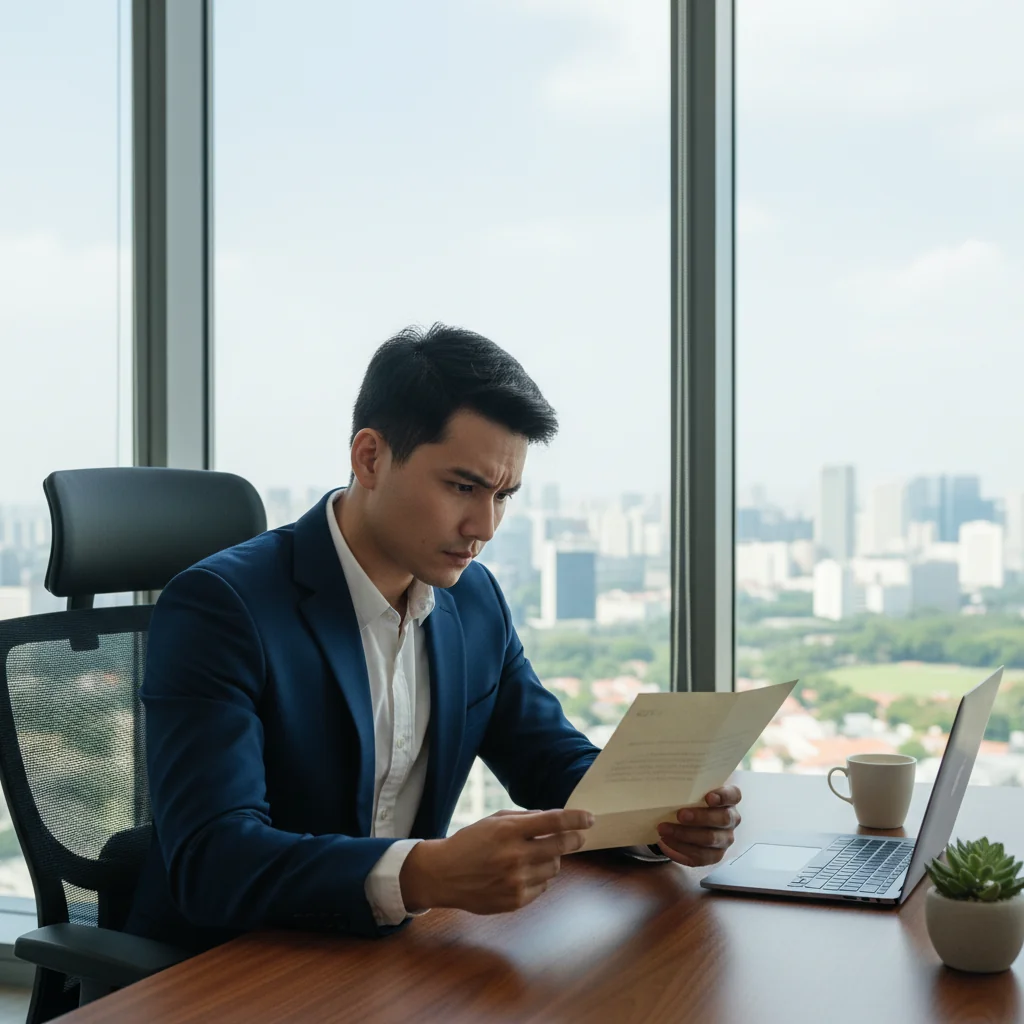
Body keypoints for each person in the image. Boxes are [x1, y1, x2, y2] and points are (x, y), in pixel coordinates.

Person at [125, 324, 742, 953]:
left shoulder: (473, 600)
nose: (485, 525)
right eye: (463, 486)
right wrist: (426, 872)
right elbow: (213, 860)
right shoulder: (223, 607)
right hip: (229, 965)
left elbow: (550, 761)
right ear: (370, 457)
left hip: (391, 957)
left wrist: (658, 820)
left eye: (504, 496)